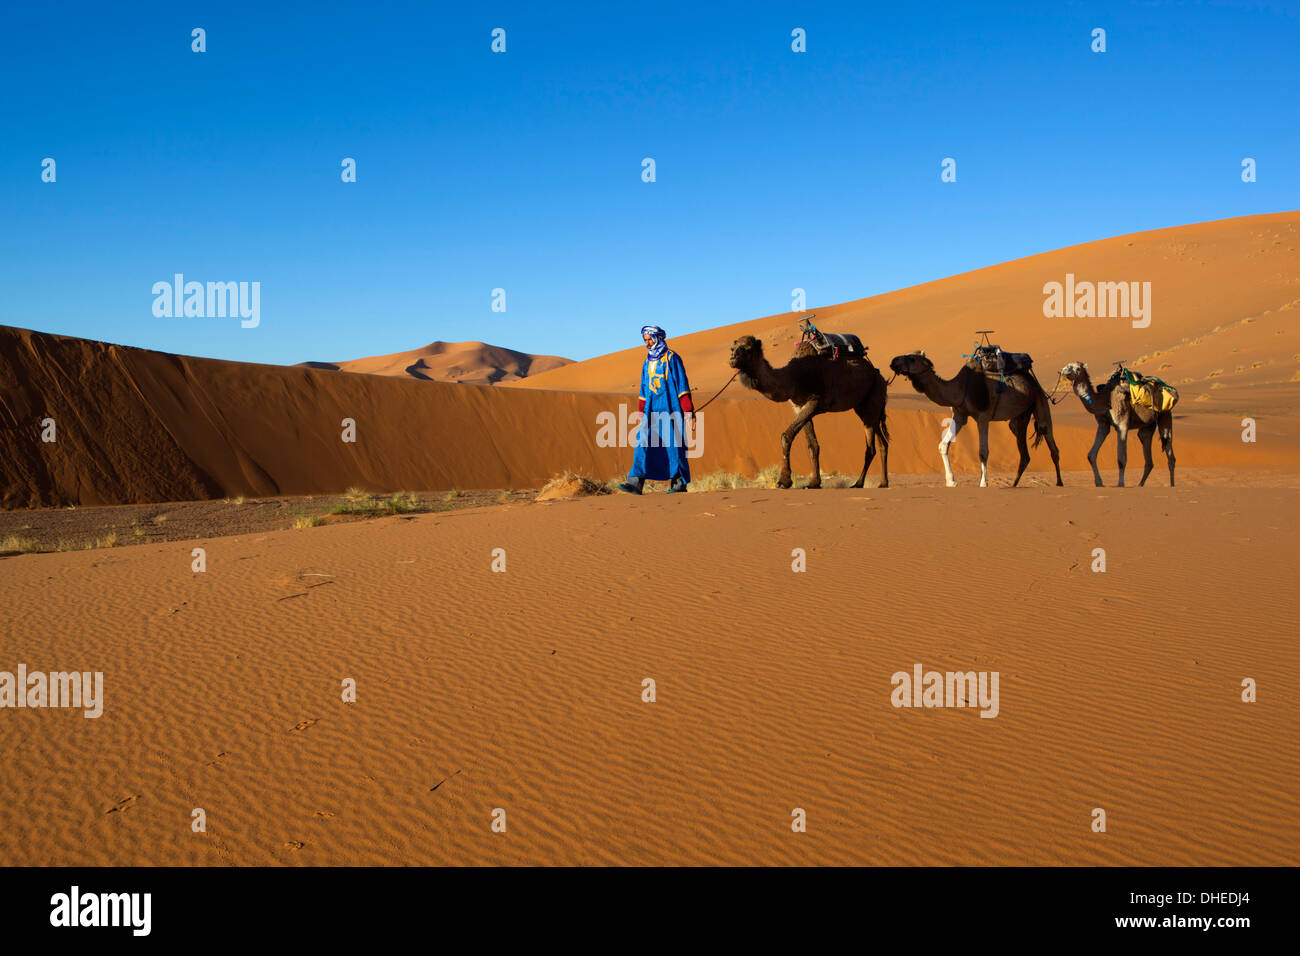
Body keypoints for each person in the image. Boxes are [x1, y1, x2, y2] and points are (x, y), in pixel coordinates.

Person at [618, 325, 694, 494]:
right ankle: (635, 483)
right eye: (645, 340)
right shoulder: (647, 361)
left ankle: (679, 484)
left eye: (650, 339)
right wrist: (641, 412)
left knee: (674, 445)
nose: (648, 343)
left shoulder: (672, 358)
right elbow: (644, 389)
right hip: (651, 410)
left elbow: (682, 385)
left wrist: (688, 411)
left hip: (670, 407)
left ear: (658, 337)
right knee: (643, 443)